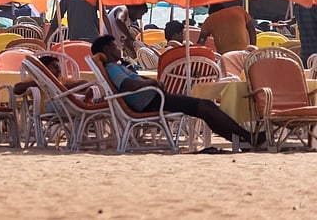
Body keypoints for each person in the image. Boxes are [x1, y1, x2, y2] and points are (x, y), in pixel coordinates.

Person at [91, 34, 261, 148]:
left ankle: (244, 138)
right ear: (106, 50)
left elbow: (131, 83)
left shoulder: (116, 66)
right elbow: (129, 85)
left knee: (206, 109)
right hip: (151, 102)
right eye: (114, 46)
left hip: (154, 99)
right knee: (206, 107)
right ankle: (247, 137)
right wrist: (152, 83)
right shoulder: (112, 68)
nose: (118, 48)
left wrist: (149, 82)